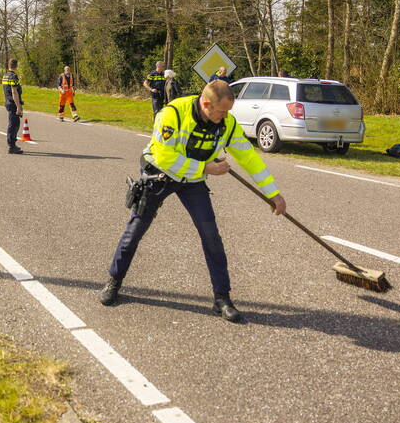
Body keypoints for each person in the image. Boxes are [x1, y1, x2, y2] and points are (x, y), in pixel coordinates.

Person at [99, 80, 287, 323]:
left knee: (211, 236)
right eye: (221, 112)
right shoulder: (172, 114)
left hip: (193, 181)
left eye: (228, 112)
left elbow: (250, 158)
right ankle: (114, 282)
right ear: (206, 103)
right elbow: (164, 156)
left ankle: (222, 298)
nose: (225, 117)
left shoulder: (227, 123)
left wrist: (273, 193)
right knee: (135, 230)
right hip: (160, 175)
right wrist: (205, 168)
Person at [2, 59, 24, 154]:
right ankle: (12, 146)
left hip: (8, 101)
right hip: (13, 103)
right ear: (16, 66)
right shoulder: (13, 76)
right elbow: (14, 92)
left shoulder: (5, 76)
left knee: (13, 123)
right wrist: (18, 106)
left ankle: (12, 144)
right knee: (14, 125)